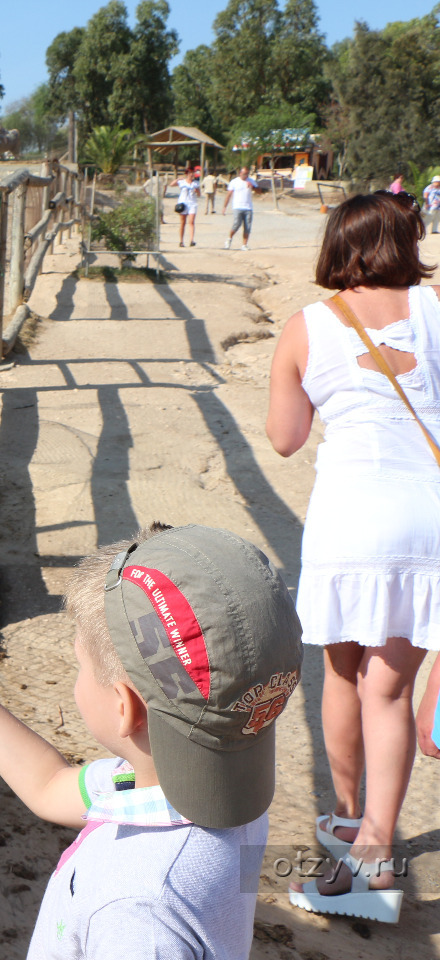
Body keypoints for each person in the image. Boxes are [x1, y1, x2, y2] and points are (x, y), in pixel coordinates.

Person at [0, 523, 303, 959]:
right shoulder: (227, 780)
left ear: (126, 708)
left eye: (79, 661)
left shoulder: (140, 913)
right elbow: (49, 786)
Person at [266, 191, 440, 924]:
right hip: (426, 517)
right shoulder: (437, 309)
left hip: (349, 516)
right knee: (389, 691)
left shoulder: (308, 326)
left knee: (341, 671)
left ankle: (348, 825)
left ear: (339, 245)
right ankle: (375, 838)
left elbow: (284, 438)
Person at [223, 167, 258, 250]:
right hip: (237, 207)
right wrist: (225, 206)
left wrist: (252, 186)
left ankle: (244, 245)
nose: (246, 175)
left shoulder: (251, 181)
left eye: (247, 174)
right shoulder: (234, 182)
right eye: (244, 174)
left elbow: (259, 190)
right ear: (240, 173)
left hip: (248, 207)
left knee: (247, 226)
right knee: (236, 224)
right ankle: (229, 239)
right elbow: (229, 195)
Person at [174, 169, 202, 246]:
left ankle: (191, 240)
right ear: (187, 174)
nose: (191, 175)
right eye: (190, 173)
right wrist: (178, 179)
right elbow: (171, 184)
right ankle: (181, 241)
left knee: (191, 222)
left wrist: (197, 191)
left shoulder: (196, 183)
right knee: (183, 223)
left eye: (192, 173)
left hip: (192, 203)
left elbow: (199, 195)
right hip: (183, 204)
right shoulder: (182, 182)